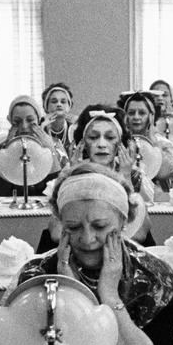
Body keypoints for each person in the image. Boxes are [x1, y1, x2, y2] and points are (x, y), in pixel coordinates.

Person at [6, 163, 173, 345]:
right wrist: (71, 293)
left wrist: (109, 296)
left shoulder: (154, 279)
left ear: (123, 221)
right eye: (74, 227)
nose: (87, 239)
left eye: (100, 226)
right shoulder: (37, 276)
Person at [36, 105, 156, 252]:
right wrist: (73, 176)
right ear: (83, 143)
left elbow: (141, 234)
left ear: (120, 143)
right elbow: (56, 233)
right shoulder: (68, 175)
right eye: (93, 137)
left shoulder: (135, 176)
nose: (101, 144)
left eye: (110, 138)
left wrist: (125, 176)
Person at [0, 95, 68, 197]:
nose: (24, 127)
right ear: (10, 120)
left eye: (30, 121)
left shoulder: (56, 146)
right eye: (17, 122)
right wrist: (8, 155)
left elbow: (58, 191)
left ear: (38, 120)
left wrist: (51, 152)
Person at [116, 90, 173, 186]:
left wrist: (153, 141)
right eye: (131, 113)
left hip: (159, 196)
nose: (136, 117)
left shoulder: (165, 144)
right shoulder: (119, 142)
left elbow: (164, 174)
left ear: (151, 116)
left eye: (142, 113)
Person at [40, 82, 77, 157]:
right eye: (54, 102)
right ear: (45, 107)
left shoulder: (75, 128)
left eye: (63, 102)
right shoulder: (40, 127)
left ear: (69, 106)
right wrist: (41, 128)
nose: (59, 104)